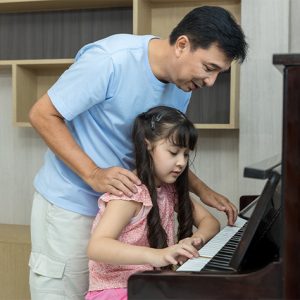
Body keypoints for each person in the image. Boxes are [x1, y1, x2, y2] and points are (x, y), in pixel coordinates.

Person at [28, 5, 247, 300]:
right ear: (182, 45)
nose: (210, 82)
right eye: (209, 68)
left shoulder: (183, 86)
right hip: (73, 205)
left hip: (126, 211)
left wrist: (201, 190)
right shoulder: (110, 60)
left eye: (219, 73)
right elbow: (43, 114)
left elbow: (162, 148)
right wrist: (93, 174)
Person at [85, 106, 220, 300]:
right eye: (173, 152)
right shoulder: (130, 193)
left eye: (186, 154)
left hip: (149, 286)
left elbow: (210, 222)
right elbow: (97, 247)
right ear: (148, 145)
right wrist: (157, 255)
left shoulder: (168, 188)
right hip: (117, 289)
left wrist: (195, 239)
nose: (181, 162)